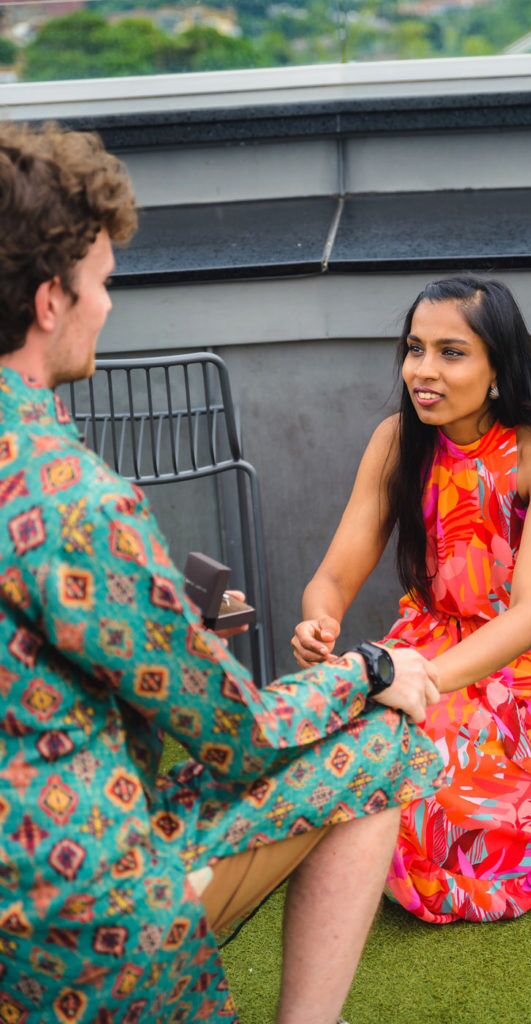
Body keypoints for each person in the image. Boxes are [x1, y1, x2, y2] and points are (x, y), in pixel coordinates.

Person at [0, 120, 446, 1024]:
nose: (108, 305)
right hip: (69, 922)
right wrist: (371, 670)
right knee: (390, 739)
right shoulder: (69, 497)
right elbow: (237, 736)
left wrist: (184, 631)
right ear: (51, 300)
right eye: (101, 283)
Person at [292, 274, 531, 924]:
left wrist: (418, 682)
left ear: (498, 366)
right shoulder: (396, 441)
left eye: (451, 351)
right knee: (348, 767)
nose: (423, 370)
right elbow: (332, 578)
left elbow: (529, 616)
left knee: (445, 811)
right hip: (428, 642)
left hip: (527, 668)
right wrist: (318, 622)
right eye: (414, 349)